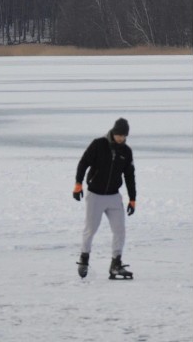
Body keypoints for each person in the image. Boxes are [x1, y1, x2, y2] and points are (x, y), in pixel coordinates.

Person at [73, 117, 136, 279]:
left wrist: (132, 198)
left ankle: (116, 264)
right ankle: (84, 259)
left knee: (120, 230)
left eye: (124, 135)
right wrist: (78, 184)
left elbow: (129, 176)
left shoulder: (126, 152)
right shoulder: (98, 144)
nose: (121, 138)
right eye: (119, 134)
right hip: (95, 195)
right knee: (90, 229)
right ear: (113, 132)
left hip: (114, 196)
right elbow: (83, 163)